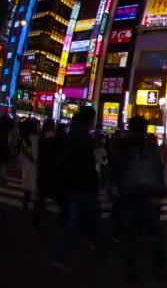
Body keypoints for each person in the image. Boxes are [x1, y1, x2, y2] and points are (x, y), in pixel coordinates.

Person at [110, 116, 167, 285]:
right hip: (148, 193)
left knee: (129, 235)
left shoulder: (121, 145)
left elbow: (116, 169)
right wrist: (161, 188)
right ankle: (159, 266)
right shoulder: (150, 147)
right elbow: (158, 167)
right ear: (145, 129)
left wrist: (115, 187)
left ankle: (131, 273)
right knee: (155, 232)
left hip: (128, 193)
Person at [52, 107, 101, 270]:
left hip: (71, 183)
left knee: (73, 220)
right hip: (81, 183)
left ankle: (61, 254)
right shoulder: (83, 137)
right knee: (81, 219)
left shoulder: (73, 133)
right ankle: (63, 255)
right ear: (89, 120)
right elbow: (86, 162)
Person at [33, 119, 56, 231]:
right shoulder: (51, 139)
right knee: (43, 194)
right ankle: (38, 217)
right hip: (48, 170)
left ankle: (38, 215)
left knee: (41, 194)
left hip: (42, 169)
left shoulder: (41, 138)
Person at [20, 118, 39, 209]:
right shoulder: (36, 138)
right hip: (32, 164)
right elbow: (27, 152)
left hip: (28, 164)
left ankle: (26, 201)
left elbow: (25, 152)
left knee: (27, 183)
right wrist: (34, 159)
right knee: (31, 183)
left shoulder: (26, 138)